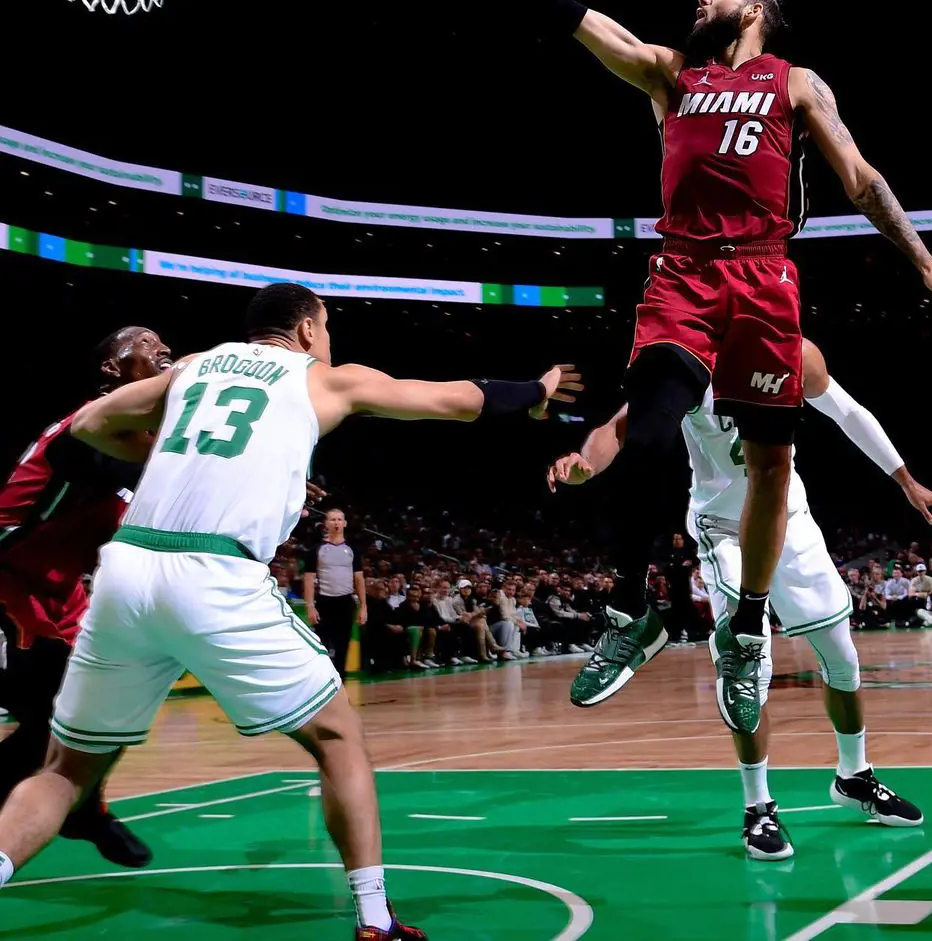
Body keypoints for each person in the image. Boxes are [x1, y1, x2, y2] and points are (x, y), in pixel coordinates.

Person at [441, 0, 932, 730]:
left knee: (772, 467)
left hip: (766, 278)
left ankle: (744, 624)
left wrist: (922, 262)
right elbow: (574, 16)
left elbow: (863, 179)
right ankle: (635, 608)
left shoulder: (797, 83)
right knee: (652, 425)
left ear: (758, 10)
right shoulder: (671, 76)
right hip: (683, 277)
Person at [0, 282, 580, 940]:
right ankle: (375, 919)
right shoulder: (324, 378)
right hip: (214, 571)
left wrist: (163, 447)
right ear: (306, 330)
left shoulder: (194, 363)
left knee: (65, 770)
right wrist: (536, 388)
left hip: (128, 571)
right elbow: (454, 398)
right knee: (338, 739)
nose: (328, 340)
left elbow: (91, 422)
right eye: (327, 326)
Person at [550, 337, 932, 858]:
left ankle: (854, 776)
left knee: (842, 656)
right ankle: (758, 807)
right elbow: (617, 429)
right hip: (724, 529)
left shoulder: (792, 350)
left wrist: (905, 480)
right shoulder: (684, 361)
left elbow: (848, 412)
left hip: (791, 519)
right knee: (747, 667)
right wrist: (585, 463)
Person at [0, 326, 173, 871]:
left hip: (63, 591)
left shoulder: (141, 443)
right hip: (9, 577)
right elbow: (132, 465)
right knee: (53, 716)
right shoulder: (93, 425)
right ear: (111, 370)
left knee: (103, 709)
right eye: (144, 341)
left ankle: (80, 805)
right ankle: (74, 807)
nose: (160, 345)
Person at [304, 508, 367, 679]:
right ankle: (323, 680)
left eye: (339, 519)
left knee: (343, 645)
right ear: (326, 524)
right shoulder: (317, 550)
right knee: (323, 644)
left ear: (345, 523)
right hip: (324, 601)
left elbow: (359, 579)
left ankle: (341, 683)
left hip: (345, 602)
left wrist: (363, 607)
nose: (336, 523)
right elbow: (309, 579)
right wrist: (310, 606)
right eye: (332, 519)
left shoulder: (353, 549)